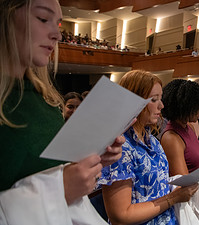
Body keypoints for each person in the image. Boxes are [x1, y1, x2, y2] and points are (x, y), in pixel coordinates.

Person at [0, 0, 124, 223]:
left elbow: (45, 169)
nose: (57, 35)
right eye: (43, 19)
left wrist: (90, 162)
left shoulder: (45, 100)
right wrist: (60, 190)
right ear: (5, 17)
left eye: (57, 24)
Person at [98, 71, 198, 225]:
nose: (161, 105)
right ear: (133, 101)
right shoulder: (120, 146)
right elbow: (121, 216)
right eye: (153, 99)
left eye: (161, 98)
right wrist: (174, 198)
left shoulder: (152, 140)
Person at [160, 79, 199, 188]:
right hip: (194, 198)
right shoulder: (171, 138)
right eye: (198, 107)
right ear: (186, 106)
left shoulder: (189, 128)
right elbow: (184, 183)